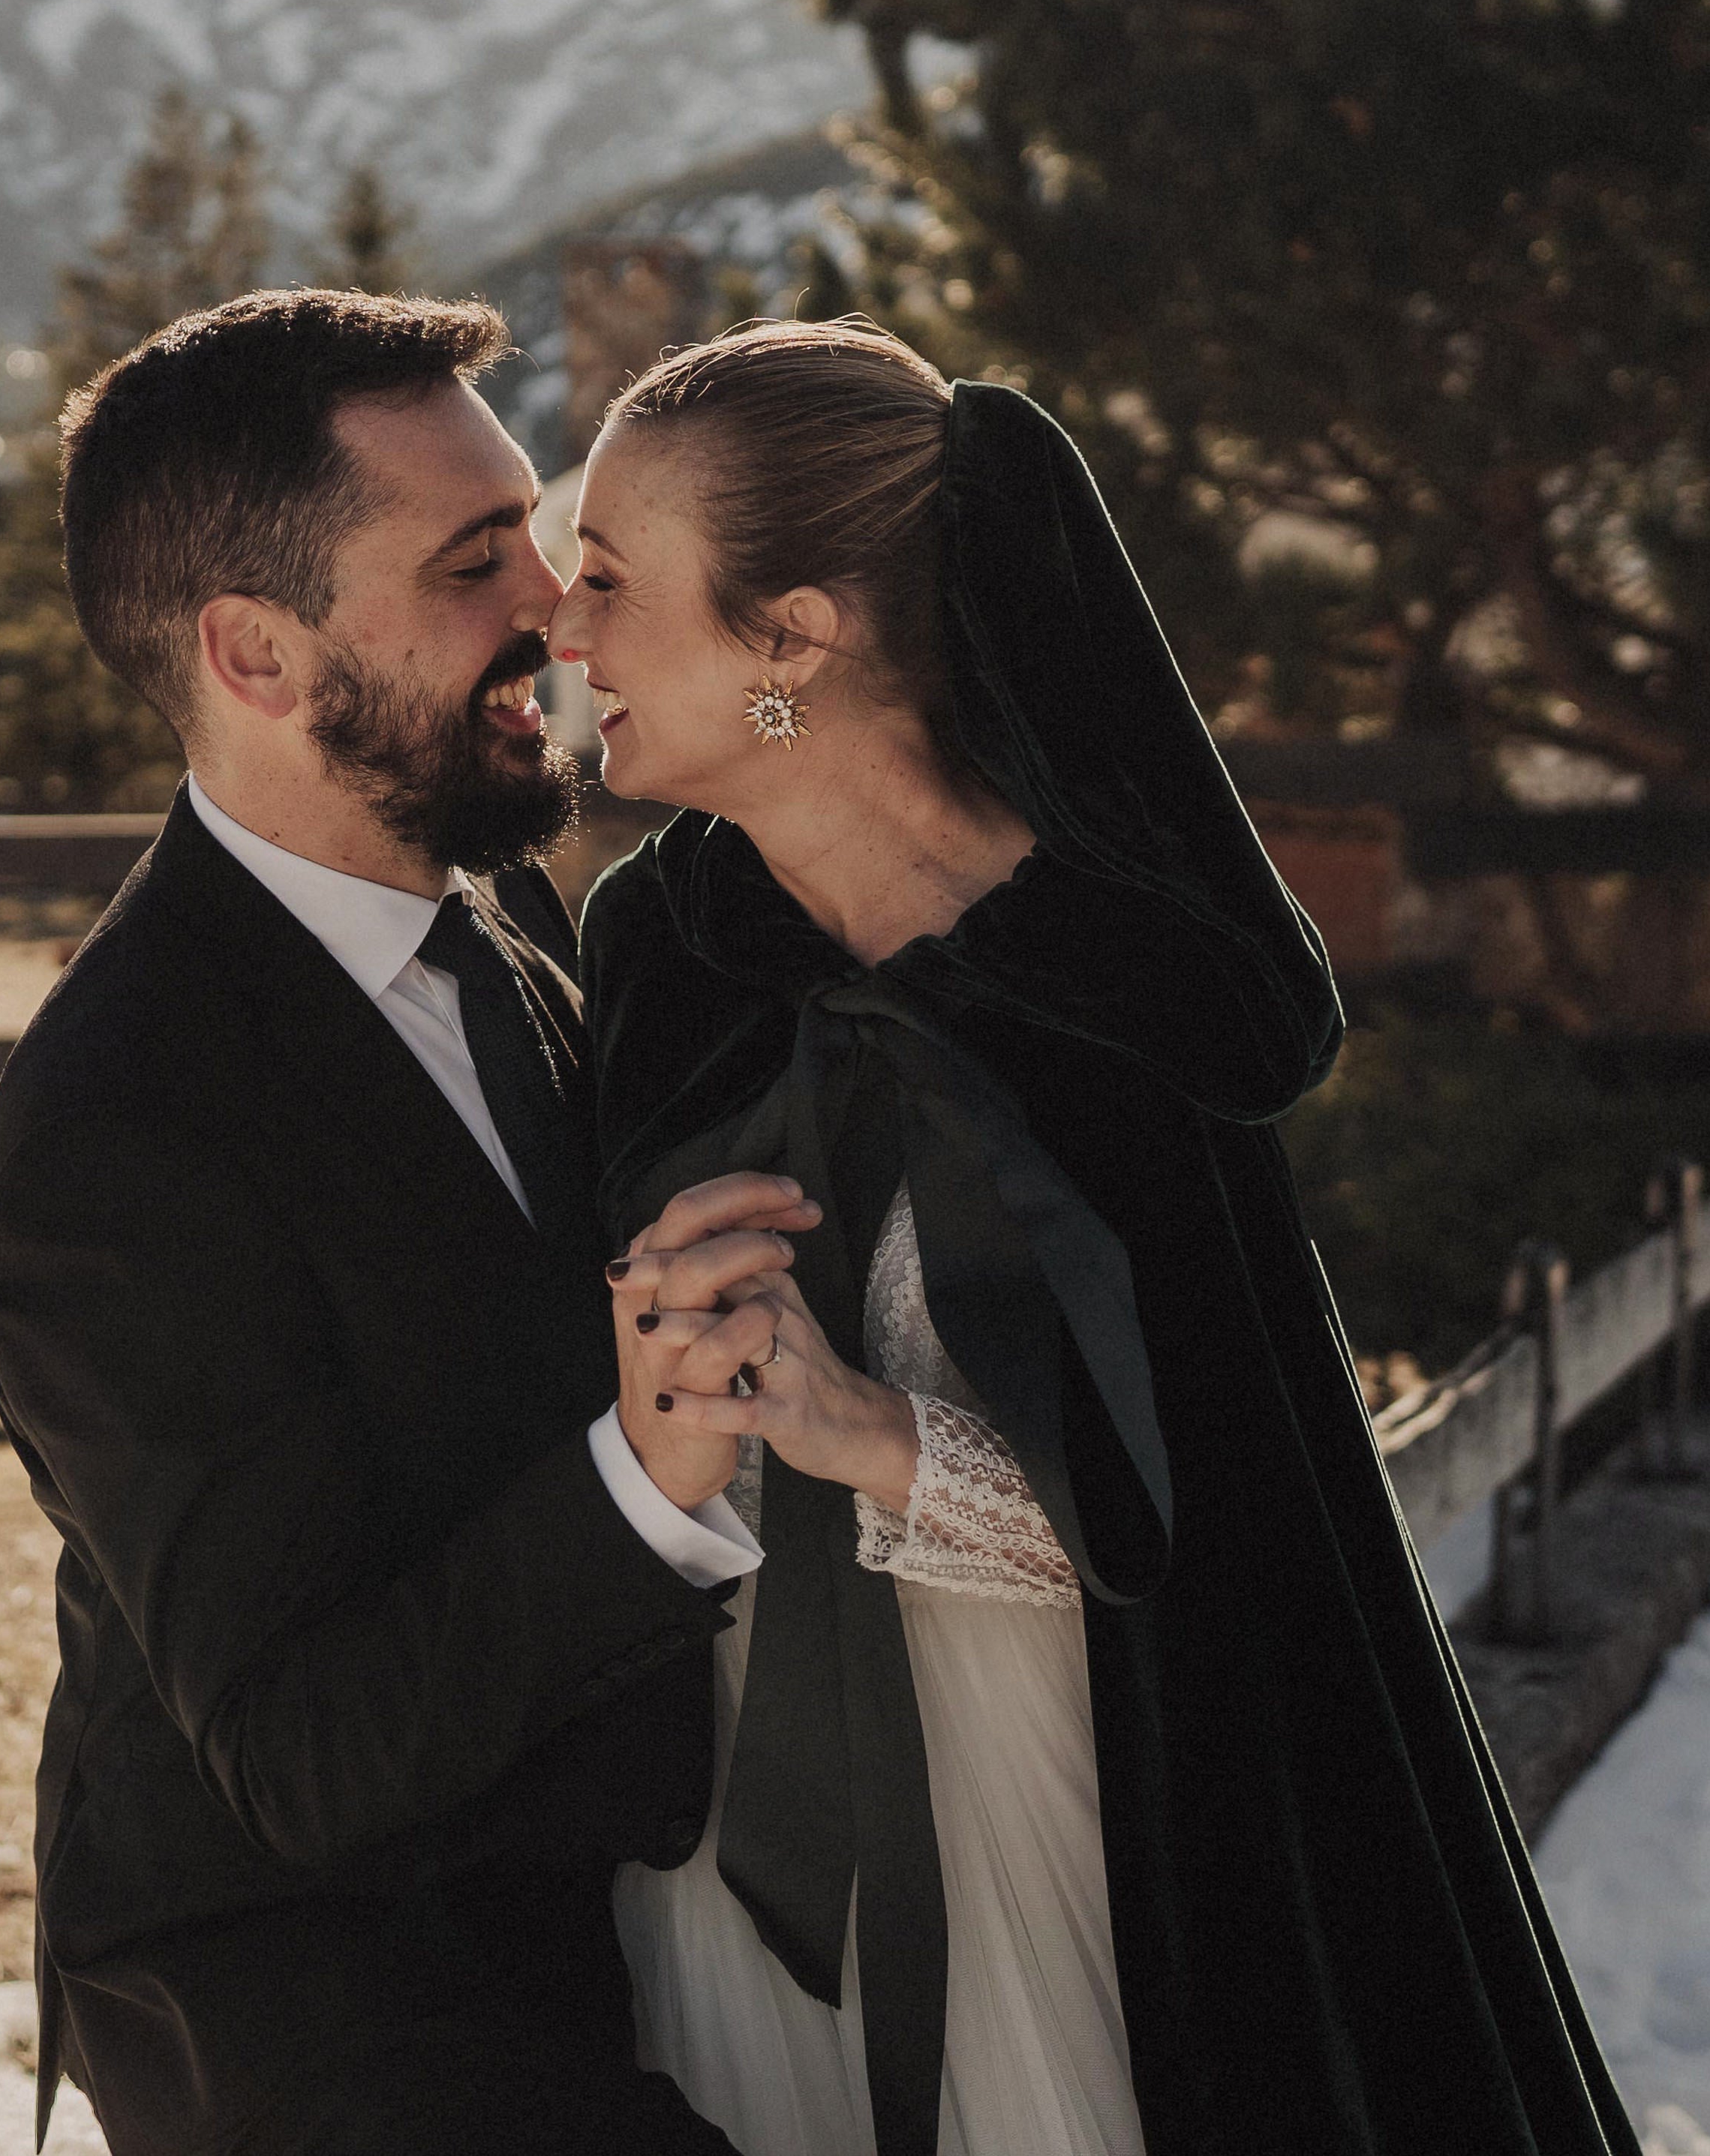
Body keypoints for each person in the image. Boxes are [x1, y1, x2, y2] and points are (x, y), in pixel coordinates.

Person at [549, 320, 1645, 2156]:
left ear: (788, 641)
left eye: (604, 578)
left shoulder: (1122, 993)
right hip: (739, 1862)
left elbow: (1216, 1546)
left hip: (1080, 1847)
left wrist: (867, 1435)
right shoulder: (664, 962)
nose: (562, 633)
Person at [0, 289, 795, 2154]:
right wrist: (645, 1471)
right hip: (315, 2019)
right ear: (255, 655)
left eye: (541, 531)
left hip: (599, 1909)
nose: (556, 609)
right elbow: (303, 1749)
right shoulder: (109, 1138)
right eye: (474, 558)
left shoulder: (501, 927)